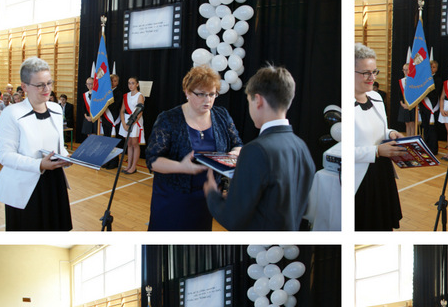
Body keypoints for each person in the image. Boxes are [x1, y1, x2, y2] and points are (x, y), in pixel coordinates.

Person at [204, 65, 316, 231]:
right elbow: (302, 206)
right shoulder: (301, 147)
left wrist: (212, 194)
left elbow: (232, 219)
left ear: (258, 100)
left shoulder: (255, 150)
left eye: (249, 101)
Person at [145, 66, 242, 230]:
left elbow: (238, 144)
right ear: (187, 92)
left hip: (206, 198)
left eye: (212, 94)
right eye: (201, 94)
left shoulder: (222, 115)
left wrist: (231, 157)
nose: (208, 100)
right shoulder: (169, 119)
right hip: (173, 199)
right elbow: (152, 160)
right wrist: (181, 167)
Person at [0, 57, 73, 230]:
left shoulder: (56, 109)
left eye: (49, 83)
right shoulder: (11, 113)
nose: (47, 89)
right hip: (24, 186)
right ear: (24, 87)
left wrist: (66, 157)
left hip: (54, 181)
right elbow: (5, 155)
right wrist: (39, 165)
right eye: (40, 85)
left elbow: (58, 145)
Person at [354, 43, 408, 231]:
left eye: (374, 72)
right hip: (361, 177)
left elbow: (378, 129)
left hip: (382, 172)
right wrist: (376, 151)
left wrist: (390, 133)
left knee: (383, 225)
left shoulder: (376, 98)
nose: (372, 78)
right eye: (366, 73)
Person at [119, 77, 145, 174]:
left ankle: (134, 167)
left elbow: (139, 112)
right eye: (129, 83)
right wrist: (124, 123)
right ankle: (128, 165)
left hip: (135, 122)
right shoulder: (126, 95)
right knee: (128, 144)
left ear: (137, 84)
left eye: (133, 83)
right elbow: (122, 111)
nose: (130, 85)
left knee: (134, 144)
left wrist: (131, 124)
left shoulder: (140, 96)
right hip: (126, 121)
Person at [397, 63, 418, 136]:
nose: (405, 71)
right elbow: (400, 94)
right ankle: (408, 139)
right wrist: (402, 104)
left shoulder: (415, 81)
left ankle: (412, 140)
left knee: (412, 124)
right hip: (404, 105)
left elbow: (416, 94)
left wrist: (410, 105)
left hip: (412, 105)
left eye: (407, 70)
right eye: (404, 70)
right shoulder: (402, 81)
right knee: (407, 123)